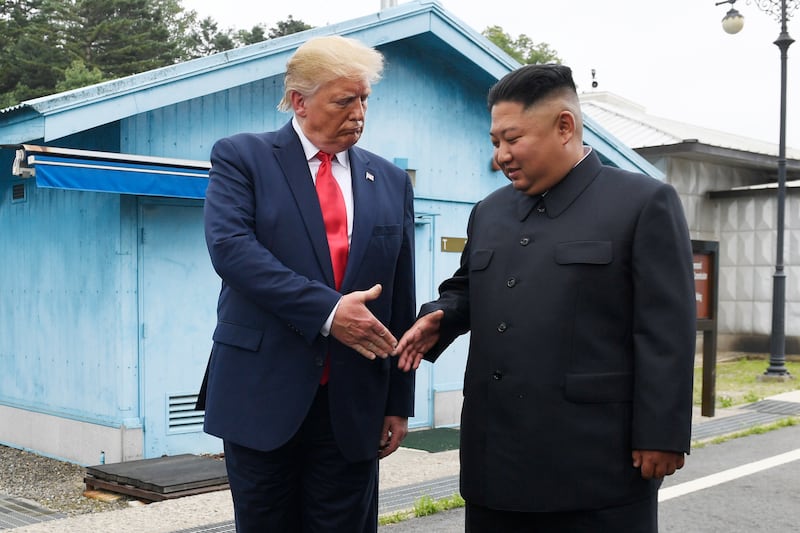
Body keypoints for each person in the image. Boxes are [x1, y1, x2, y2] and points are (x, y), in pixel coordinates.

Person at [394, 64, 696, 532]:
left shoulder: (642, 202)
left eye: (512, 139)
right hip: (495, 460)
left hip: (597, 463)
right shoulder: (490, 211)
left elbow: (665, 329)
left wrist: (662, 433)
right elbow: (466, 288)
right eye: (495, 142)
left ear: (564, 127)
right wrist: (441, 316)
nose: (501, 155)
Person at [199, 35, 416, 533]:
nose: (359, 113)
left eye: (364, 99)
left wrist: (397, 402)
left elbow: (399, 296)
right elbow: (232, 251)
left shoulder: (390, 180)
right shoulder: (243, 158)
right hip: (262, 394)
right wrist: (330, 311)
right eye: (345, 100)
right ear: (300, 100)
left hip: (354, 401)